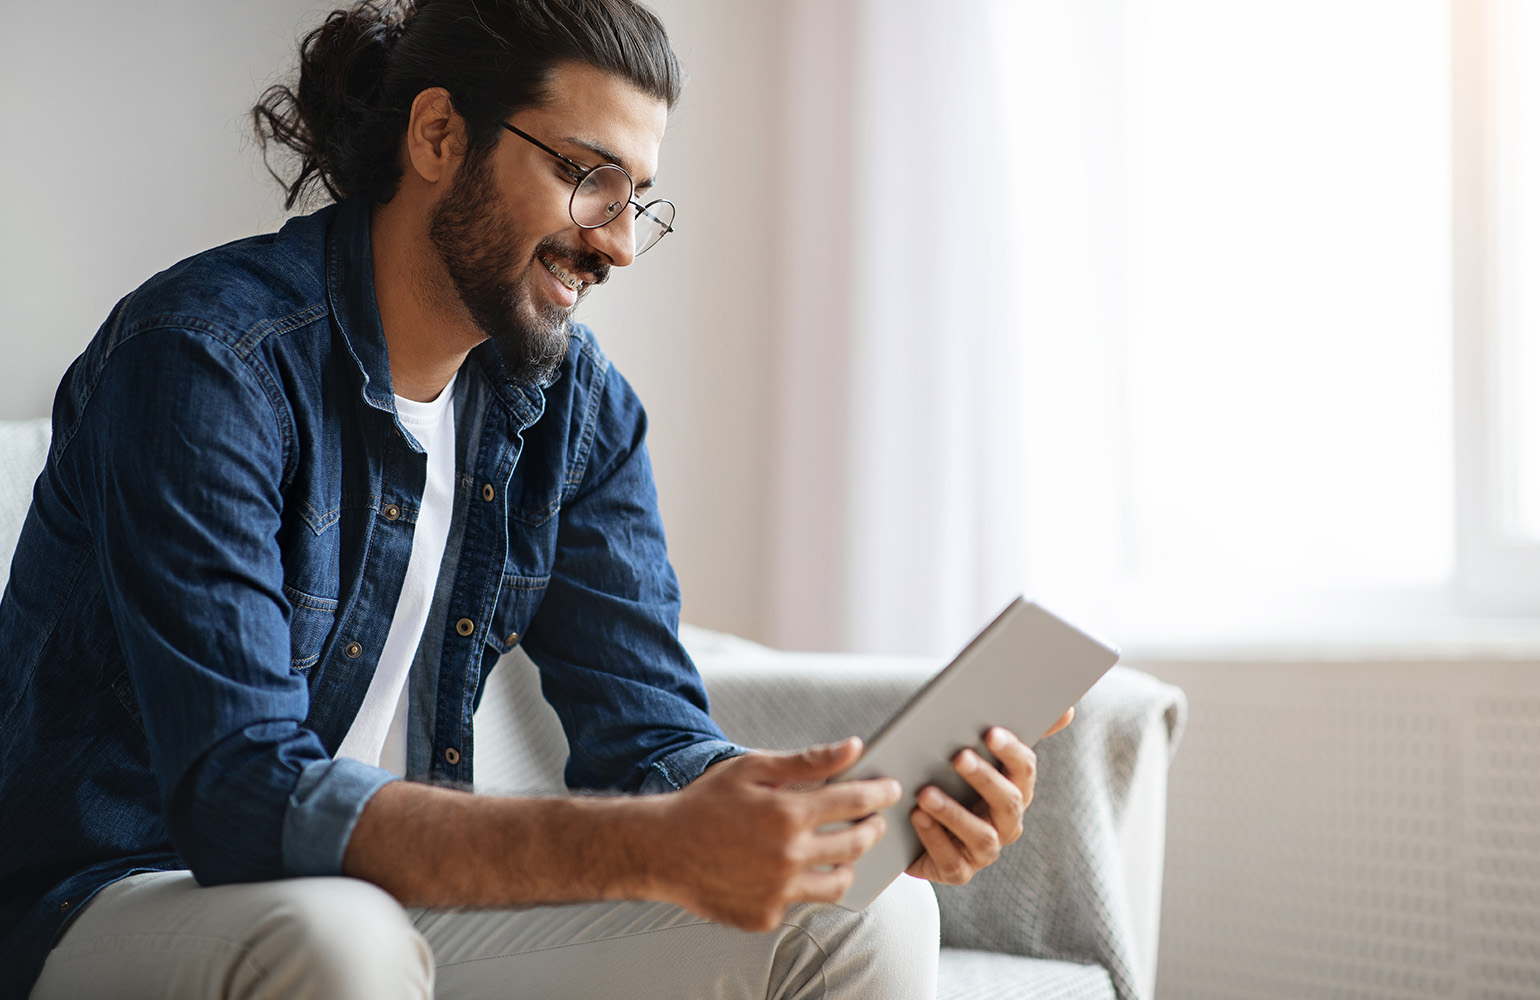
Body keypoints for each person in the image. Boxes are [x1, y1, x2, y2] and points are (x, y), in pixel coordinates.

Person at [0, 1, 1070, 997]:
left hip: (406, 900)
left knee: (861, 912)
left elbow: (649, 742)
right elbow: (236, 793)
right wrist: (653, 847)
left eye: (636, 198)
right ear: (437, 137)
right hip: (121, 889)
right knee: (338, 937)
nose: (614, 239)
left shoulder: (575, 406)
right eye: (584, 175)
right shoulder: (206, 362)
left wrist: (832, 819)